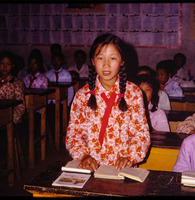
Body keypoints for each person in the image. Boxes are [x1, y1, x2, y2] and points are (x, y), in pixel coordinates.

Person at [65, 33, 151, 171]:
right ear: (93, 61)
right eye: (100, 58)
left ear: (122, 61)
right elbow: (74, 135)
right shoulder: (82, 96)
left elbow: (141, 134)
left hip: (123, 168)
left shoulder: (133, 93)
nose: (106, 65)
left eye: (112, 58)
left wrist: (129, 157)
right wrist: (84, 156)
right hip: (90, 167)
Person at [0, 51, 25, 124]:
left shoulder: (17, 83)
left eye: (8, 64)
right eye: (2, 64)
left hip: (11, 120)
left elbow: (21, 106)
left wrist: (11, 121)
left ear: (12, 66)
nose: (5, 67)